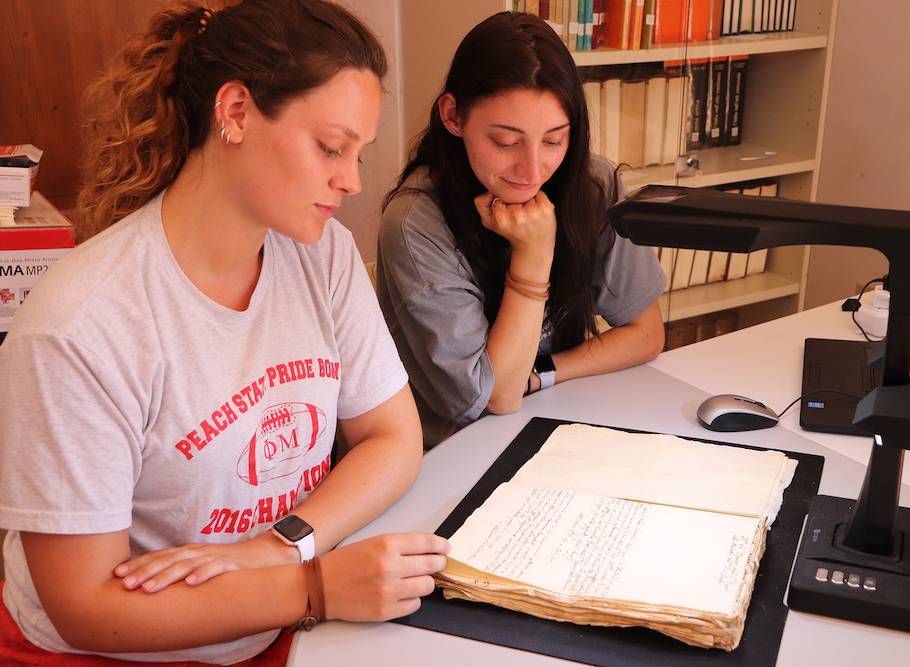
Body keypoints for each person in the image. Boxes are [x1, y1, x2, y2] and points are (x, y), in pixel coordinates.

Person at [0, 1, 448, 664]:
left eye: (359, 153)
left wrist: (279, 549)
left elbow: (394, 436)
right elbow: (83, 607)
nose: (352, 180)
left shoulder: (322, 255)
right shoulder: (83, 322)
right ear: (235, 112)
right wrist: (315, 585)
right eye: (331, 147)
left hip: (269, 618)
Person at [378, 11, 667, 449]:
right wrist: (534, 255)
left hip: (557, 424)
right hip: (452, 455)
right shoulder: (415, 223)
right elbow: (496, 395)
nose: (533, 170)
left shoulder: (591, 184)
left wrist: (544, 374)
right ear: (453, 115)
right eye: (506, 141)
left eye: (554, 140)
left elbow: (646, 334)